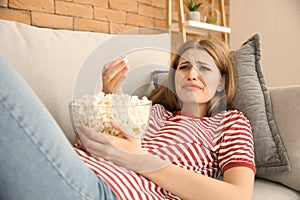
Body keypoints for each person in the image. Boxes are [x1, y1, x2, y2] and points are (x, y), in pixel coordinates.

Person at [0, 38, 256, 200]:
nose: (191, 74)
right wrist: (108, 96)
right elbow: (97, 144)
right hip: (74, 167)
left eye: (204, 67)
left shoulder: (229, 122)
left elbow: (238, 195)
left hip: (106, 191)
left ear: (222, 83)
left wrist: (140, 160)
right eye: (184, 67)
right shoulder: (151, 110)